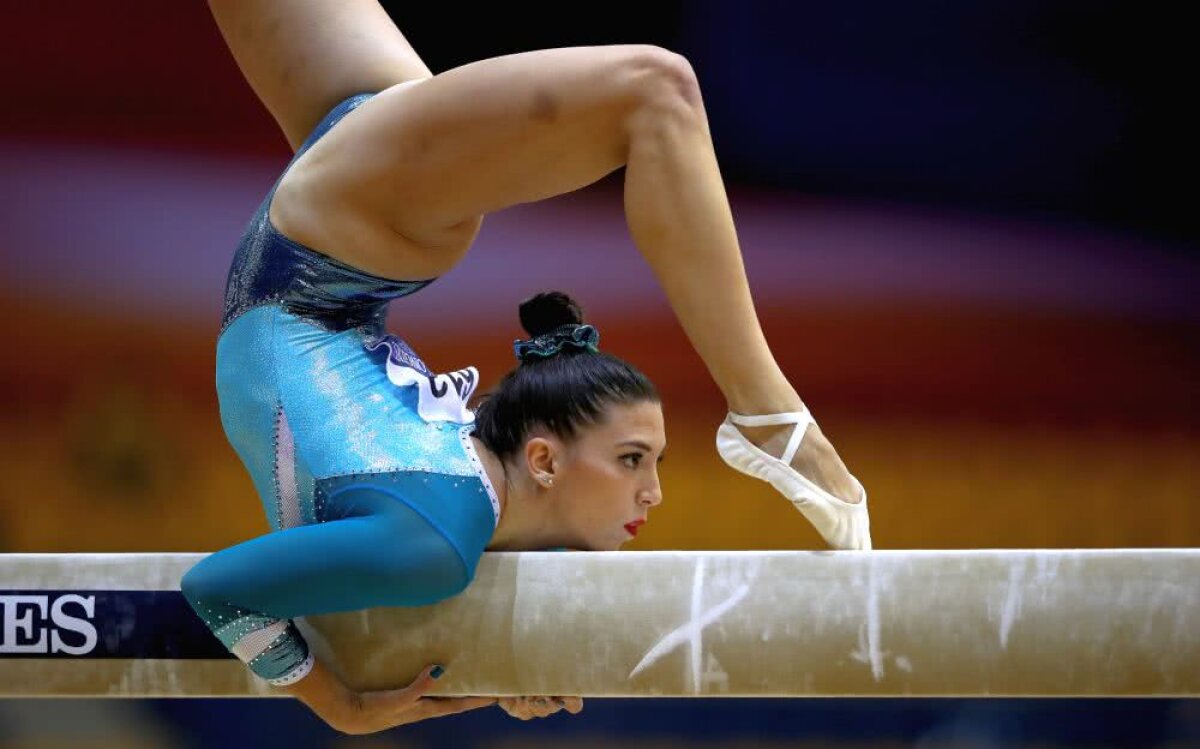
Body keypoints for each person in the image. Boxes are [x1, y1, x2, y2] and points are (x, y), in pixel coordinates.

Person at [182, 0, 872, 735]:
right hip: (339, 233)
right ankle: (767, 412)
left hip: (340, 240)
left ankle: (768, 414)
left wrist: (344, 705)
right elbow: (264, 579)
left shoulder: (441, 535)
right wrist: (489, 649)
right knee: (654, 90)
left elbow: (219, 587)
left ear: (540, 458)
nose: (656, 492)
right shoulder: (452, 518)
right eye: (636, 458)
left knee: (658, 91)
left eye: (642, 459)